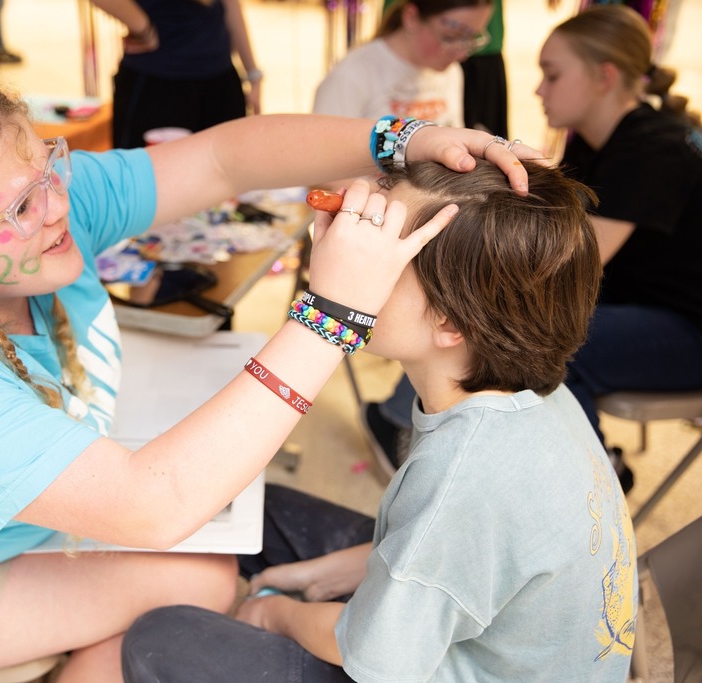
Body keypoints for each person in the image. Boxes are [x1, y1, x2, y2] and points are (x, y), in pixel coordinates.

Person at [0, 74, 531, 682]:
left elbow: (224, 158)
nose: (58, 204)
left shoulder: (41, 214)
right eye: (22, 203)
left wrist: (402, 139)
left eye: (49, 166)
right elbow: (154, 506)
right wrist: (330, 312)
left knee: (217, 536)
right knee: (200, 574)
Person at [123, 160, 638, 683]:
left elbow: (377, 658)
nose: (350, 262)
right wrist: (312, 576)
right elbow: (437, 550)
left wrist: (275, 613)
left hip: (404, 664)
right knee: (266, 509)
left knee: (160, 640)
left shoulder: (464, 478)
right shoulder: (536, 394)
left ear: (452, 321)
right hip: (482, 601)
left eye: (380, 257)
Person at [364, 4, 702, 490]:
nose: (538, 89)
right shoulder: (596, 137)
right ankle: (407, 422)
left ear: (604, 77)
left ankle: (589, 483)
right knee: (480, 306)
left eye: (552, 75)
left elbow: (557, 269)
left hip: (686, 328)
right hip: (636, 298)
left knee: (537, 334)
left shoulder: (652, 149)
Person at [90, 0, 263, 148]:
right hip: (157, 83)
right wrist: (143, 27)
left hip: (220, 81)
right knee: (147, 179)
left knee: (229, 178)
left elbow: (230, 5)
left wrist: (252, 72)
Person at [314, 0, 494, 128]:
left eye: (472, 39)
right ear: (411, 17)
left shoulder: (450, 71)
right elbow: (319, 166)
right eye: (451, 37)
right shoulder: (351, 75)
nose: (462, 53)